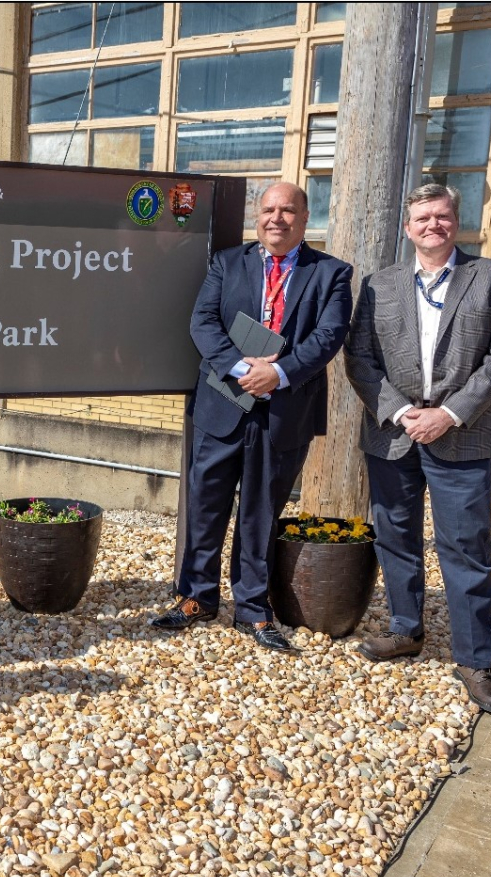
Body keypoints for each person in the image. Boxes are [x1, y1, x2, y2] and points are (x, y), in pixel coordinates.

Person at [345, 183, 491, 716]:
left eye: (442, 216)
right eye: (422, 218)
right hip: (393, 433)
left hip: (465, 432)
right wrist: (403, 412)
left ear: (457, 220)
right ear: (408, 228)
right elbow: (360, 358)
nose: (433, 225)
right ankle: (406, 630)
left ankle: (475, 661)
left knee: (465, 549)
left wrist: (448, 413)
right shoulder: (380, 285)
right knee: (396, 537)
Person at [153, 182, 354, 653]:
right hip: (222, 401)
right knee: (204, 505)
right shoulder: (227, 263)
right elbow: (203, 322)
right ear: (257, 216)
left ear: (305, 219)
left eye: (288, 211)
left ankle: (252, 607)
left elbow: (329, 336)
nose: (276, 219)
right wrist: (244, 368)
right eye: (269, 210)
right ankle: (196, 596)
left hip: (284, 410)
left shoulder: (333, 274)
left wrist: (279, 373)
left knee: (261, 512)